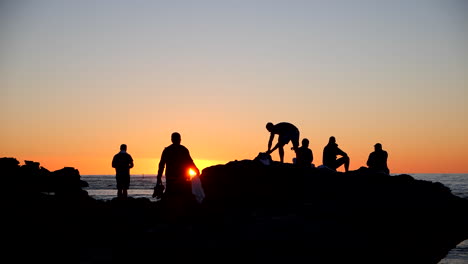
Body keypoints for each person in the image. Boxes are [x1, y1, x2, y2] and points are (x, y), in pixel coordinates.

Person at [153, 132, 199, 208]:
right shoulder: (183, 150)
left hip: (170, 178)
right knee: (182, 197)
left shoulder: (167, 150)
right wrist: (196, 170)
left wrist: (159, 177)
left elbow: (161, 165)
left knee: (170, 196)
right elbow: (190, 162)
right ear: (180, 140)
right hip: (182, 178)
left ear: (171, 140)